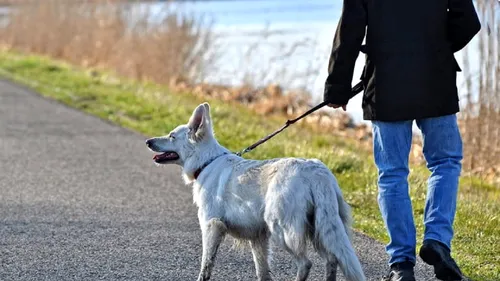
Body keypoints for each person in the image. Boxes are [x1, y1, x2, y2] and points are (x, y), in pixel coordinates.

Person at [323, 0, 481, 280]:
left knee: (392, 173)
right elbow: (468, 22)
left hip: (386, 85)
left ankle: (401, 265)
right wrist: (436, 49)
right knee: (445, 163)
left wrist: (337, 87)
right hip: (436, 81)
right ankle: (437, 240)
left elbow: (349, 31)